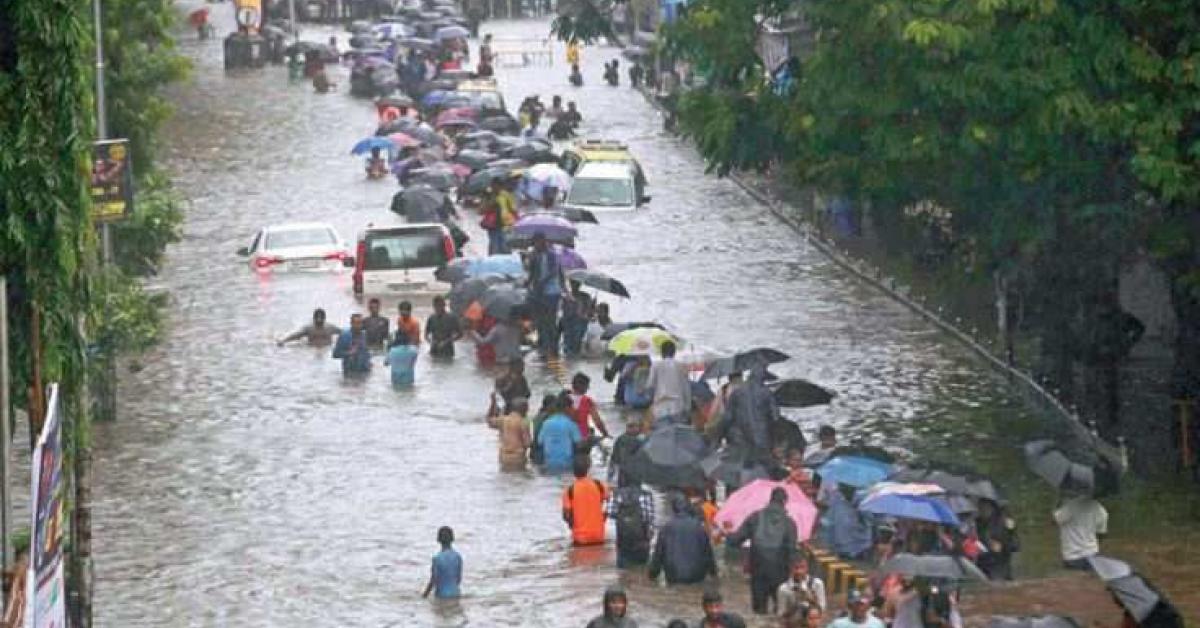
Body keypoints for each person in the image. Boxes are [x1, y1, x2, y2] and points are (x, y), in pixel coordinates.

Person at [725, 487, 798, 615]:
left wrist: (727, 532)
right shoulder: (790, 523)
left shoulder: (755, 517)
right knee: (781, 611)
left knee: (759, 611)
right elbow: (792, 551)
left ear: (770, 499)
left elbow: (735, 540)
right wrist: (793, 575)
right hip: (781, 571)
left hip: (758, 570)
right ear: (785, 502)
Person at [712, 365, 777, 468]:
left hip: (740, 442)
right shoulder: (767, 393)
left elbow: (727, 418)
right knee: (762, 472)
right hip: (763, 443)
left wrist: (717, 440)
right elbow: (775, 418)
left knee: (742, 472)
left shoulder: (737, 393)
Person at [648, 494, 717, 585]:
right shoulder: (698, 527)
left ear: (673, 509)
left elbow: (658, 554)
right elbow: (708, 553)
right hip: (697, 575)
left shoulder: (666, 528)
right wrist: (714, 573)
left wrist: (652, 575)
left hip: (673, 575)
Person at [526, 232, 570, 359]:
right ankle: (544, 347)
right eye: (534, 243)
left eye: (537, 242)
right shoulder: (534, 255)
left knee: (550, 321)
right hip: (538, 293)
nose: (536, 245)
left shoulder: (552, 255)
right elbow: (532, 273)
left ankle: (553, 348)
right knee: (540, 321)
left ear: (543, 241)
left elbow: (553, 272)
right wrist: (529, 284)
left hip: (551, 293)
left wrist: (542, 283)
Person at [606, 476, 654, 568]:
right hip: (642, 543)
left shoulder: (617, 494)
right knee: (642, 572)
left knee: (623, 576)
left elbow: (610, 513)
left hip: (623, 544)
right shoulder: (646, 495)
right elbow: (650, 519)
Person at [1053, 493, 1107, 569]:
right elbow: (1101, 535)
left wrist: (1059, 502)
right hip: (1093, 557)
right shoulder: (1102, 510)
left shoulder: (1071, 506)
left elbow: (1054, 521)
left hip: (1072, 559)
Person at [562, 457, 607, 546]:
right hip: (599, 537)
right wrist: (603, 518)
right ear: (588, 469)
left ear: (573, 472)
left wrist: (572, 525)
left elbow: (566, 515)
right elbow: (610, 504)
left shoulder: (570, 490)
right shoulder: (599, 485)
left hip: (580, 539)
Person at [646, 341, 692, 424]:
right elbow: (686, 388)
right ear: (674, 352)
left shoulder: (656, 365)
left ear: (661, 353)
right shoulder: (681, 366)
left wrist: (649, 400)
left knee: (661, 431)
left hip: (660, 405)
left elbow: (650, 385)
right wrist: (688, 407)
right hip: (677, 406)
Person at [975, 498, 1018, 580]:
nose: (982, 511)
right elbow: (976, 540)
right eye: (980, 508)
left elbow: (1013, 540)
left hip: (1001, 559)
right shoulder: (977, 523)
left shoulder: (1005, 520)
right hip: (985, 561)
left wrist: (1002, 545)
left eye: (985, 508)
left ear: (992, 508)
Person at [537, 396, 582, 473]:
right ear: (567, 408)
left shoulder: (546, 423)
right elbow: (579, 444)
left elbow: (540, 441)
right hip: (567, 464)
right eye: (572, 407)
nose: (573, 410)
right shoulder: (571, 424)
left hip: (549, 463)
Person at [487, 396, 531, 471]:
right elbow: (527, 443)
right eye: (527, 409)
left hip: (504, 456)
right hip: (518, 457)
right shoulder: (523, 422)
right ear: (523, 409)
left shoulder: (503, 420)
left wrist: (493, 403)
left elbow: (489, 421)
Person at [778, 556, 826, 621]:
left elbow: (822, 609)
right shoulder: (783, 588)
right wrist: (796, 604)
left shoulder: (817, 584)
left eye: (802, 567)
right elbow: (781, 614)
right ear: (791, 568)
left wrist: (811, 600)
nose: (799, 571)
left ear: (807, 568)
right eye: (796, 568)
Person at [422, 526, 463, 599]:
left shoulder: (437, 558)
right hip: (456, 594)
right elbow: (458, 579)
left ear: (438, 539)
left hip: (441, 595)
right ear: (452, 539)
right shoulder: (458, 557)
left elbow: (433, 580)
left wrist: (424, 596)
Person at [569, 373, 612, 442]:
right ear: (582, 386)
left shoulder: (564, 398)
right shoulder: (587, 401)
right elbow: (597, 421)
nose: (588, 388)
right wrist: (606, 434)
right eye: (587, 386)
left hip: (567, 436)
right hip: (582, 437)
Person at [607, 419, 644, 486]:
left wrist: (610, 477)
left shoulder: (620, 439)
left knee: (622, 490)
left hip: (623, 473)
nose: (638, 429)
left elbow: (614, 458)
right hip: (635, 473)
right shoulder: (639, 441)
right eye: (637, 427)